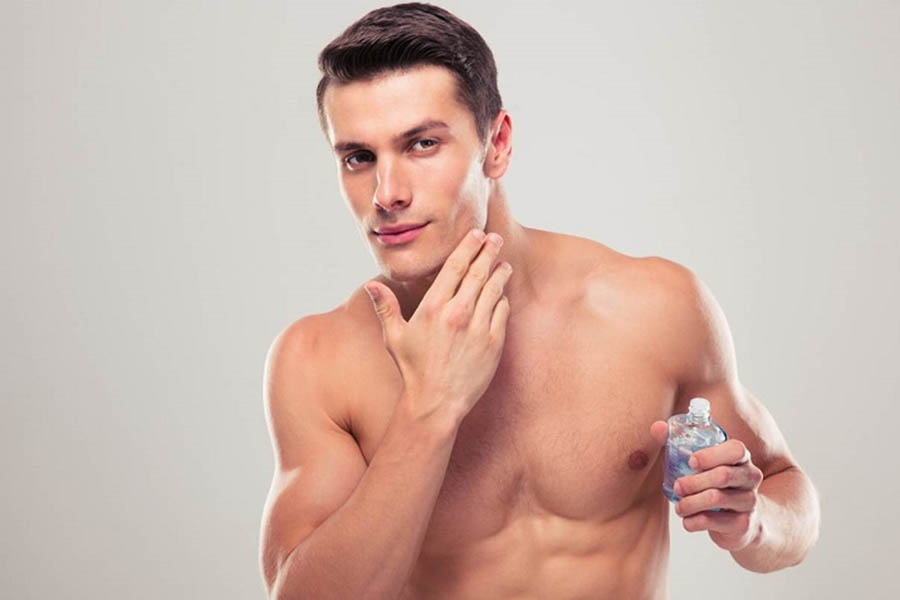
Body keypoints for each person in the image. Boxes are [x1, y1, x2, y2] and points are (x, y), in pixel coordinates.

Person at [258, 3, 821, 598]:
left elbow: (788, 491)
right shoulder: (318, 361)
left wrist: (753, 521)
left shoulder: (654, 307)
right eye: (359, 158)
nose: (386, 193)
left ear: (496, 144)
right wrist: (429, 410)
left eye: (422, 144)